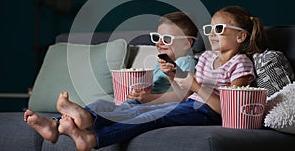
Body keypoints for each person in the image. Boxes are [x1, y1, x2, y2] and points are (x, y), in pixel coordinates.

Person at [26, 5, 267, 151]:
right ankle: (65, 123)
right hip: (190, 104)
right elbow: (184, 94)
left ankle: (92, 137)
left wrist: (194, 85)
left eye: (219, 29)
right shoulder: (204, 59)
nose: (212, 35)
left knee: (151, 116)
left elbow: (230, 109)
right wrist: (175, 78)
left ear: (240, 37)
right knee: (134, 111)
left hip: (208, 113)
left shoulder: (241, 63)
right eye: (210, 29)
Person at [24, 11, 198, 144]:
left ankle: (68, 124)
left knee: (119, 111)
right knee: (102, 104)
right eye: (157, 37)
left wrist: (147, 97)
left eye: (166, 38)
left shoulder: (185, 62)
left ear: (186, 43)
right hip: (142, 102)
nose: (159, 42)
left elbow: (180, 97)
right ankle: (56, 125)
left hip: (158, 107)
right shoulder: (161, 62)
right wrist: (139, 91)